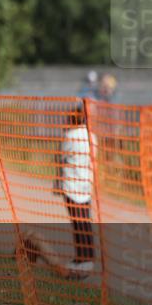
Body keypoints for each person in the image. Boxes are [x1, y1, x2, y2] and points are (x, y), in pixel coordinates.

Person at [54, 103, 97, 275]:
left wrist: (57, 183)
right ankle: (87, 258)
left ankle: (82, 259)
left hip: (71, 186)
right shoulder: (91, 136)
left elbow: (60, 158)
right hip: (86, 185)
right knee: (85, 221)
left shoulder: (70, 135)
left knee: (77, 223)